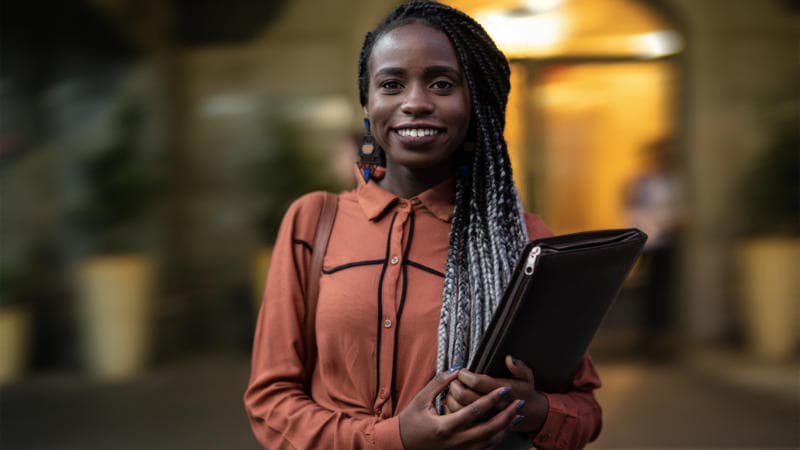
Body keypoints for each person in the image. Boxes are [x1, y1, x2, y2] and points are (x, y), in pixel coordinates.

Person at [244, 2, 602, 448]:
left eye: (441, 84)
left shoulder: (522, 240)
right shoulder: (313, 221)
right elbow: (271, 403)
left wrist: (529, 409)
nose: (415, 103)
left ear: (477, 106)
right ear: (369, 103)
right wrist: (396, 439)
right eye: (391, 84)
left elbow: (584, 411)